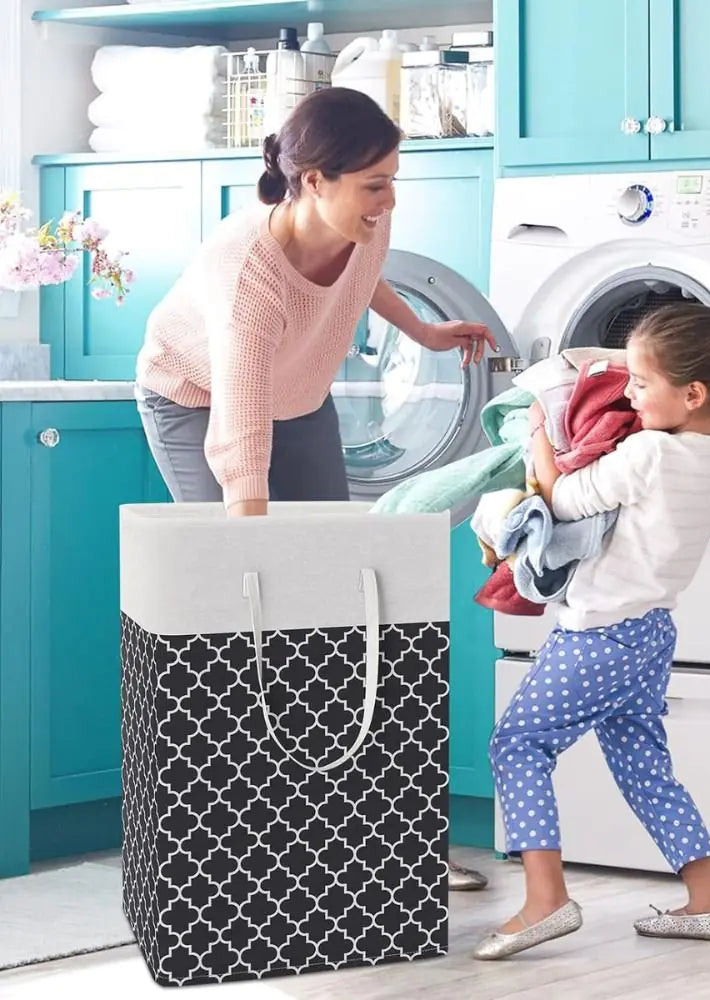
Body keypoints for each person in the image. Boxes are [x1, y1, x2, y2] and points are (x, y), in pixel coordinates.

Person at [133, 86, 494, 892]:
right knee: (243, 613)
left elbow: (361, 276)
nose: (389, 200)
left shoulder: (361, 216)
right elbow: (239, 432)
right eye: (374, 185)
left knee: (339, 613)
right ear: (316, 181)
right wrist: (253, 551)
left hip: (300, 401)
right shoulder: (247, 275)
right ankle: (252, 842)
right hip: (195, 403)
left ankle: (378, 835)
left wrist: (427, 332)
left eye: (393, 181)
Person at [472, 302, 710, 960]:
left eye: (641, 384)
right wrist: (640, 368)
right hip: (650, 631)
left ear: (693, 392)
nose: (627, 390)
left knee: (517, 745)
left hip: (598, 635)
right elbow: (656, 388)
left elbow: (562, 497)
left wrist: (539, 424)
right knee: (646, 769)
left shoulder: (648, 453)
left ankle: (546, 898)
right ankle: (709, 901)